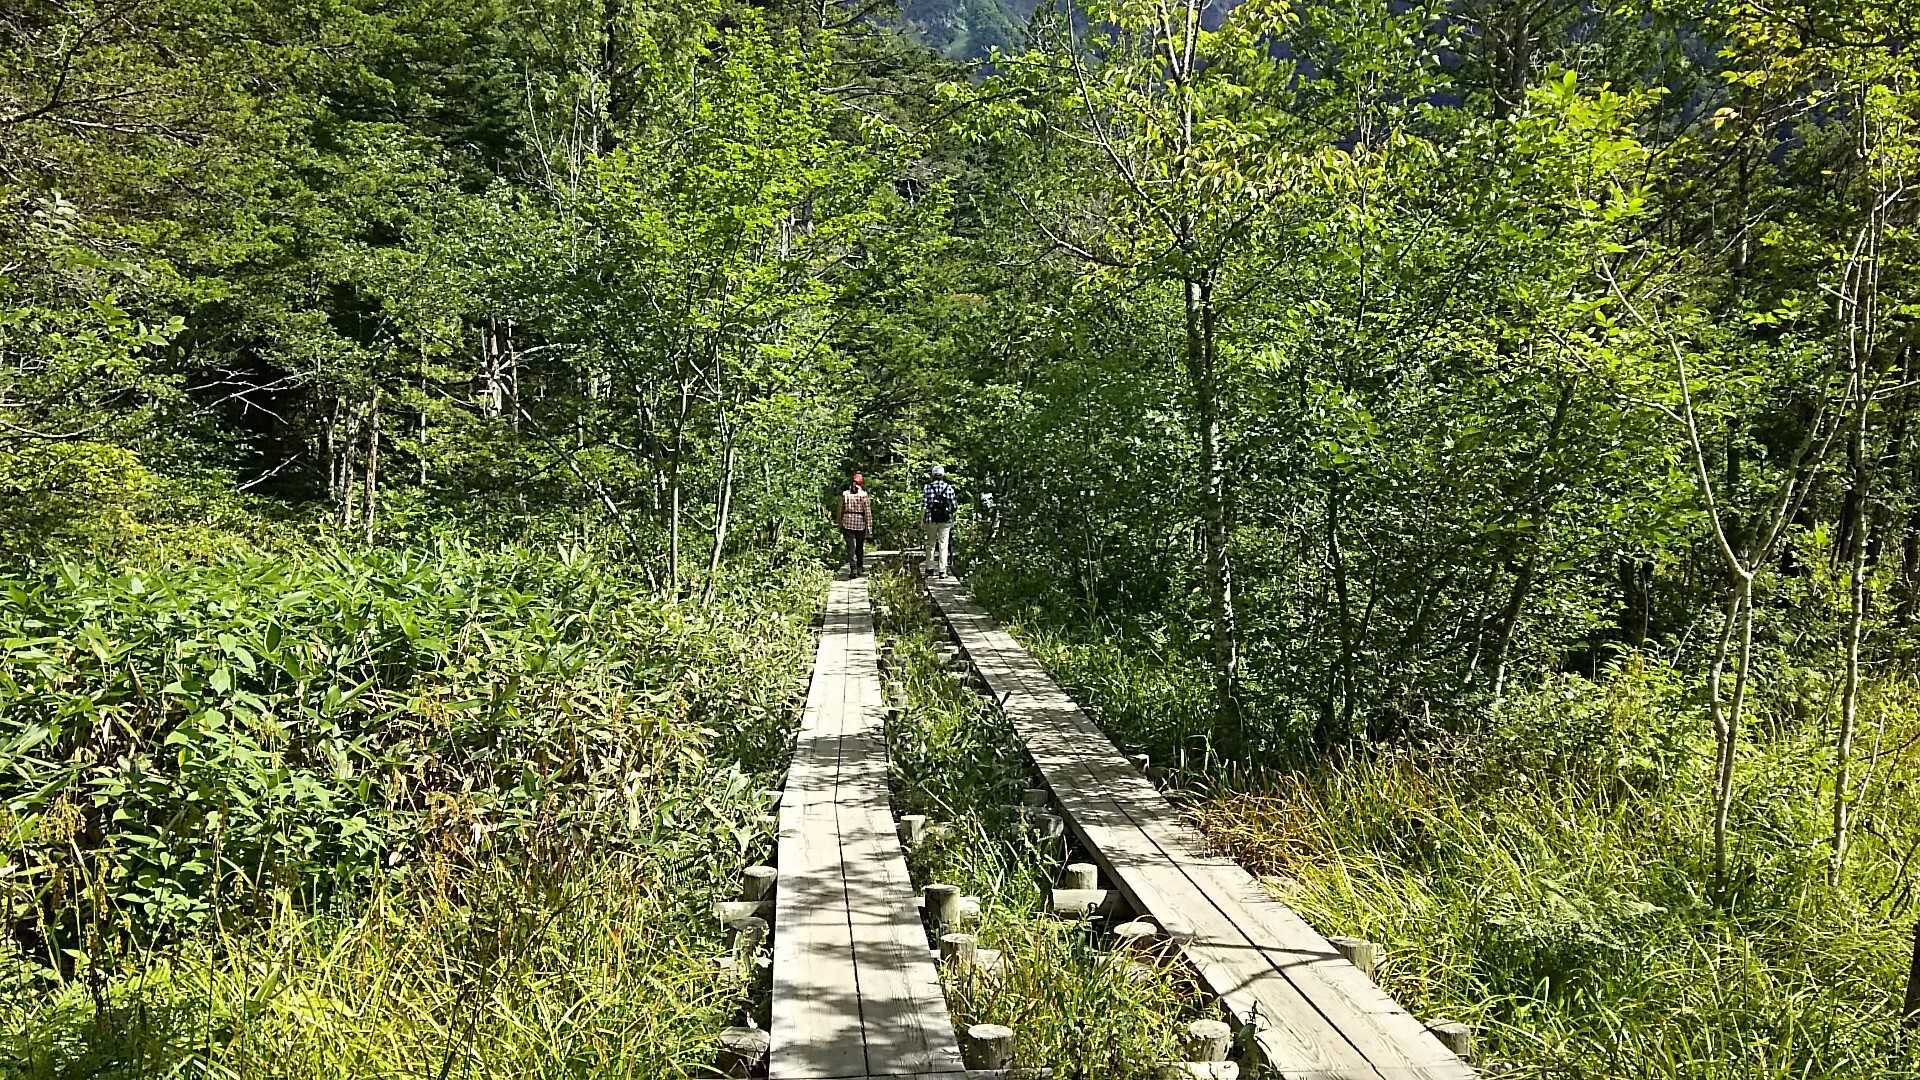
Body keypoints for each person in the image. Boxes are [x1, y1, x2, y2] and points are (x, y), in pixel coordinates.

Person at [921, 465, 958, 577]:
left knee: (930, 544)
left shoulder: (927, 487)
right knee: (943, 545)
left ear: (933, 475)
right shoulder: (949, 488)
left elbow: (924, 506)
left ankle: (929, 568)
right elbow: (954, 505)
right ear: (943, 475)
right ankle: (942, 571)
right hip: (945, 520)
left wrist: (922, 520)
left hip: (931, 519)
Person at [836, 472, 873, 576]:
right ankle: (860, 567)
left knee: (850, 547)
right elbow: (867, 512)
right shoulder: (863, 495)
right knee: (859, 547)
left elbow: (840, 509)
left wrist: (839, 522)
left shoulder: (845, 494)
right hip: (860, 524)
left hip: (847, 522)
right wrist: (869, 527)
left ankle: (853, 568)